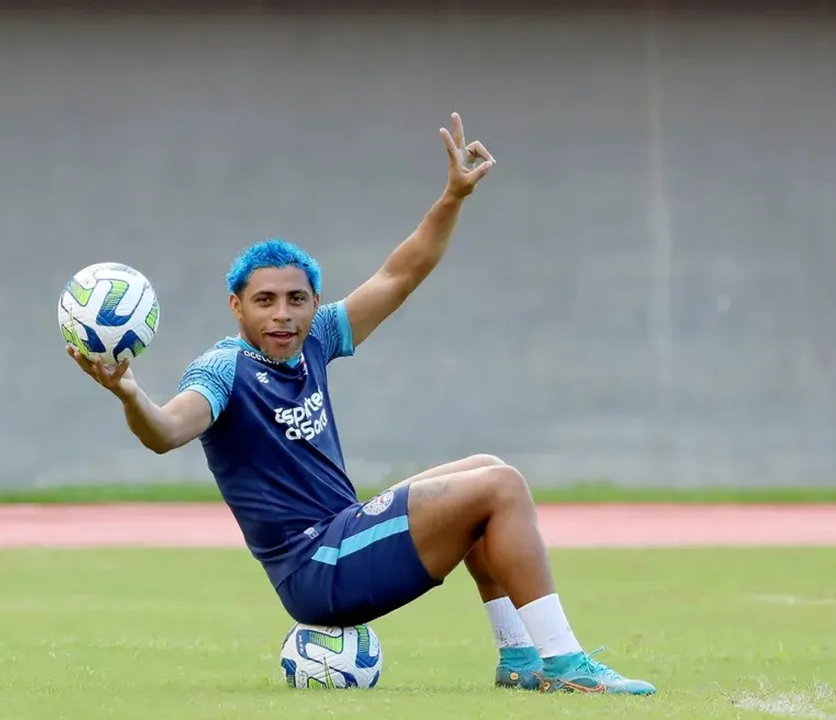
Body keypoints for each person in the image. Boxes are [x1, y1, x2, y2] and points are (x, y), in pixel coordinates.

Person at [66, 112, 655, 696]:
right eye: (264, 300)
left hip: (342, 537)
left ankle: (520, 656)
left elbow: (401, 274)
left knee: (484, 470)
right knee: (500, 488)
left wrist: (452, 195)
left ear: (314, 302)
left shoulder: (317, 337)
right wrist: (129, 391)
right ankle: (565, 661)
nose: (282, 314)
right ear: (236, 308)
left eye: (296, 299)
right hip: (317, 568)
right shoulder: (224, 369)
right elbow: (166, 431)